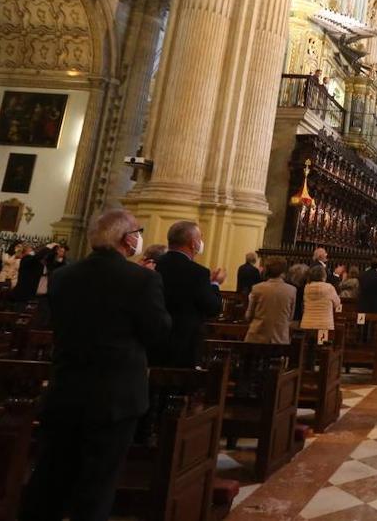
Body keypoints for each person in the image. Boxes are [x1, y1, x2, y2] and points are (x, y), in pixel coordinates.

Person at [19, 209, 171, 521]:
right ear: (128, 239)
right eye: (138, 232)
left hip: (66, 388)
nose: (139, 237)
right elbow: (157, 331)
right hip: (115, 396)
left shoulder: (63, 277)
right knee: (98, 483)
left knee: (50, 478)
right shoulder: (142, 279)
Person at [150, 220, 224, 368]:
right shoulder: (198, 272)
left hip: (153, 340)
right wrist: (215, 284)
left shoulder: (155, 266)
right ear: (192, 243)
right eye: (200, 238)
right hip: (184, 343)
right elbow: (212, 307)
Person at [244, 256, 295, 344]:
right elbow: (290, 316)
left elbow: (249, 315)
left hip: (257, 338)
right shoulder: (291, 290)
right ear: (283, 271)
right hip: (280, 339)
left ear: (266, 271)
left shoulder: (257, 288)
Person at [301, 263, 343, 343]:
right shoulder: (329, 287)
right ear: (323, 276)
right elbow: (337, 303)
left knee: (308, 345)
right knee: (322, 346)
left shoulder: (307, 287)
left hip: (308, 324)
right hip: (324, 324)